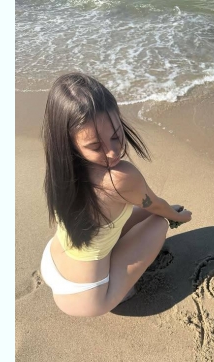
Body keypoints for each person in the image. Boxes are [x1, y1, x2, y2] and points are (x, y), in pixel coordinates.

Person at [40, 73, 192, 317]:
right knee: (158, 224)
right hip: (86, 296)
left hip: (52, 262)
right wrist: (180, 217)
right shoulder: (120, 177)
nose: (112, 152)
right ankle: (121, 291)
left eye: (115, 135)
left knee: (134, 213)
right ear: (69, 143)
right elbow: (156, 206)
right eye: (96, 146)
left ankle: (113, 270)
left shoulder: (61, 171)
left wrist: (162, 210)